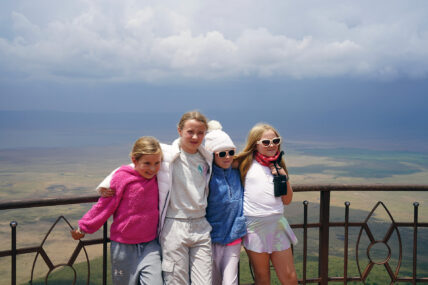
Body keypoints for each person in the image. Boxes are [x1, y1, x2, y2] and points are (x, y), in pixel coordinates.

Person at [98, 111, 213, 285]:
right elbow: (132, 166)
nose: (195, 137)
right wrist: (106, 184)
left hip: (201, 225)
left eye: (200, 132)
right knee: (176, 281)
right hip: (175, 225)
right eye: (190, 131)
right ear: (179, 130)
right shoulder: (167, 154)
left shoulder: (207, 157)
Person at [70, 136, 163, 285]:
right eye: (147, 163)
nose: (152, 168)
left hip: (150, 245)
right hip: (123, 247)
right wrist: (84, 227)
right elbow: (105, 206)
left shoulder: (160, 176)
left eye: (157, 163)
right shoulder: (122, 178)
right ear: (134, 160)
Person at [234, 123, 298, 285]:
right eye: (266, 142)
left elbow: (287, 200)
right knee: (262, 277)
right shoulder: (244, 163)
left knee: (289, 277)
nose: (272, 145)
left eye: (276, 141)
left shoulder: (278, 164)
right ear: (255, 144)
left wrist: (284, 177)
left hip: (277, 224)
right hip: (254, 226)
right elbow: (219, 160)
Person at [204, 120, 247, 285]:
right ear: (212, 154)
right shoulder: (207, 177)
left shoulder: (238, 172)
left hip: (233, 238)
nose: (227, 157)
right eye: (222, 153)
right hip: (210, 238)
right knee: (213, 281)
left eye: (231, 152)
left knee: (230, 282)